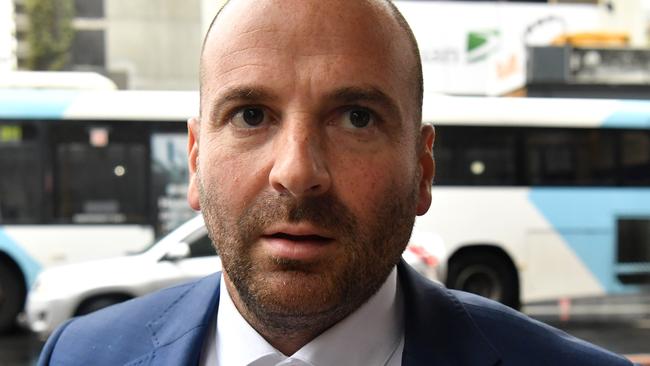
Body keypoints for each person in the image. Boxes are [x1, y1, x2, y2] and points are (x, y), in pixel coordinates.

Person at [38, 1, 634, 365]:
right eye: (250, 115)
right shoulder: (78, 357)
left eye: (356, 117)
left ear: (423, 168)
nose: (297, 173)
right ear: (195, 158)